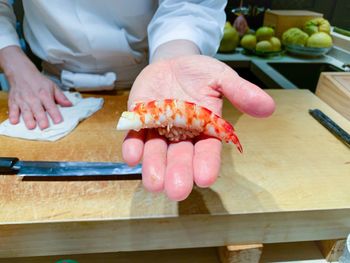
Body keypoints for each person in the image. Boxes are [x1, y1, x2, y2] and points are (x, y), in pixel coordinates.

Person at [0, 1, 275, 201]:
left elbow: (191, 5)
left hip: (146, 78)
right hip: (50, 84)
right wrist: (14, 63)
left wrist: (175, 54)